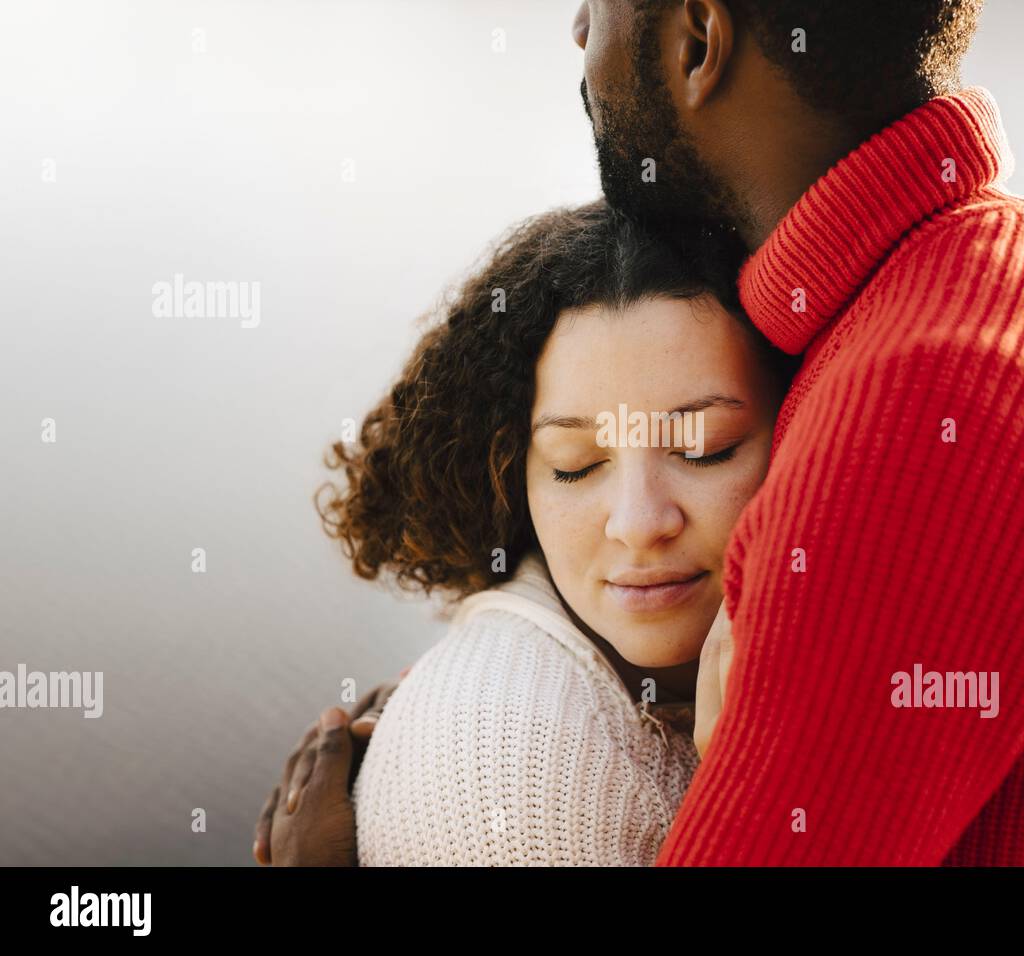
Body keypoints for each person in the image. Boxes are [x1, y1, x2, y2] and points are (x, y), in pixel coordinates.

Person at [571, 0, 1024, 865]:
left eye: (593, 2)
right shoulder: (935, 305)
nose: (580, 30)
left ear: (699, 39)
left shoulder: (931, 408)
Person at [254, 200, 793, 865]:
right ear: (513, 472)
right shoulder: (505, 771)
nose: (638, 523)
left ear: (806, 428)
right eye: (576, 465)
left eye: (704, 449)